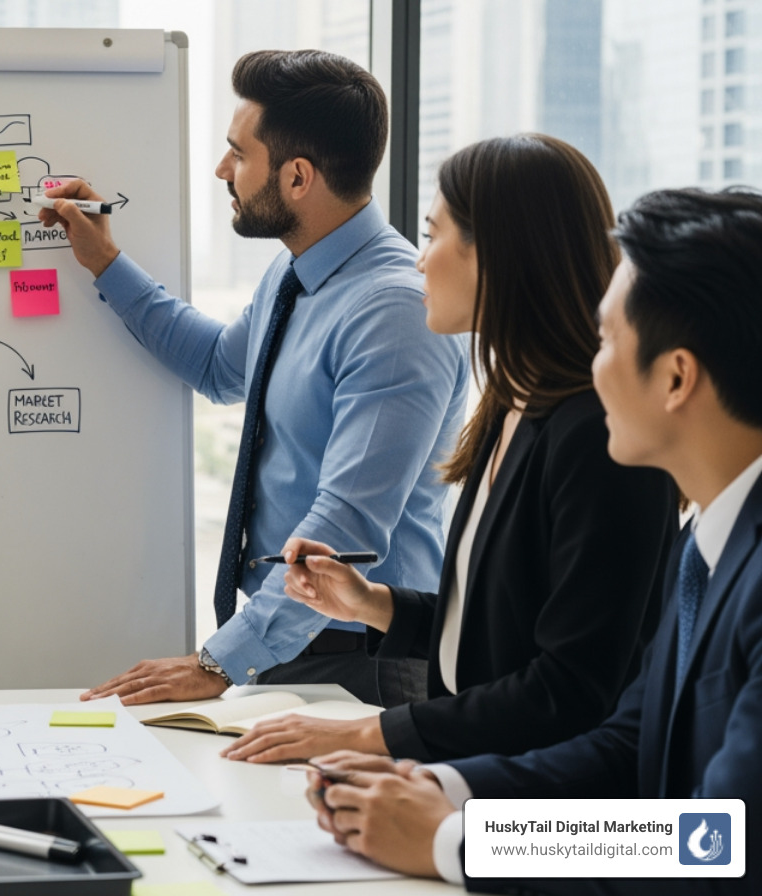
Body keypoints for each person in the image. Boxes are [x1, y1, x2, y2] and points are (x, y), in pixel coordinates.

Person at [306, 187, 762, 895]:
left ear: (676, 378)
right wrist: (437, 786)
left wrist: (457, 841)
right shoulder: (706, 539)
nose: (594, 364)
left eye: (607, 339)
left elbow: (719, 843)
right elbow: (628, 744)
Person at [221, 135, 678, 766]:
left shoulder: (598, 437)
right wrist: (371, 602)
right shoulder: (509, 407)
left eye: (433, 236)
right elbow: (502, 631)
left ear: (496, 256)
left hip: (559, 822)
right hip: (483, 777)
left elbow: (572, 688)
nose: (418, 261)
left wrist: (369, 736)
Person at [42, 50, 469, 707]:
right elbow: (220, 367)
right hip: (296, 645)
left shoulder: (394, 311)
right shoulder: (296, 272)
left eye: (238, 154)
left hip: (364, 663)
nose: (222, 171)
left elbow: (345, 529)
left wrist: (218, 663)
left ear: (297, 177)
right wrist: (104, 261)